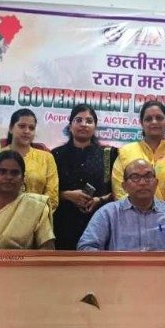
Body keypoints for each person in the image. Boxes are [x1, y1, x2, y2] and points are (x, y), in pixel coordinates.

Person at [78, 159, 165, 251]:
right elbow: (86, 247)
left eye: (148, 176)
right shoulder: (107, 214)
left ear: (156, 183)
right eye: (135, 177)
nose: (143, 182)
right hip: (120, 277)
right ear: (124, 186)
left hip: (164, 277)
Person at [52, 104, 119, 250]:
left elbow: (118, 191)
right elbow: (47, 191)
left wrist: (99, 200)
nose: (84, 124)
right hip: (64, 223)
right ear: (70, 125)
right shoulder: (55, 155)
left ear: (95, 127)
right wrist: (66, 195)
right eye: (78, 120)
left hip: (100, 221)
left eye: (89, 121)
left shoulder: (108, 154)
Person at [112, 101, 165, 207]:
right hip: (130, 214)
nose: (154, 122)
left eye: (159, 118)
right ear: (142, 123)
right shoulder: (125, 151)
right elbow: (119, 187)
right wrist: (137, 211)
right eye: (148, 119)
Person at [1, 108, 59, 211]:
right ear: (11, 128)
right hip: (1, 215)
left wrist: (32, 215)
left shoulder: (46, 158)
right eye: (22, 126)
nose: (27, 131)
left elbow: (52, 198)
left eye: (31, 128)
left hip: (36, 217)